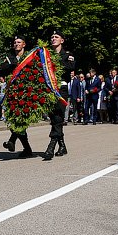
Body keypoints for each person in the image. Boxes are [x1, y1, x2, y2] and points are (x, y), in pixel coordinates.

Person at [0, 36, 35, 156]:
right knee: (15, 119)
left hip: (26, 91)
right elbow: (2, 69)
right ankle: (26, 149)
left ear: (24, 44)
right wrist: (12, 65)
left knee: (21, 119)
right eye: (14, 42)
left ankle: (12, 141)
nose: (16, 44)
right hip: (13, 91)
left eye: (19, 42)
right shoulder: (9, 57)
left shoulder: (29, 57)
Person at [43, 30, 75, 159]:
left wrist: (54, 63)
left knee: (58, 115)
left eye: (56, 37)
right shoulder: (46, 55)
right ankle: (62, 145)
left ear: (62, 40)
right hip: (49, 89)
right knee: (55, 118)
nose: (53, 38)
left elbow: (71, 66)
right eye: (52, 36)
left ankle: (51, 147)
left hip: (61, 88)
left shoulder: (68, 55)